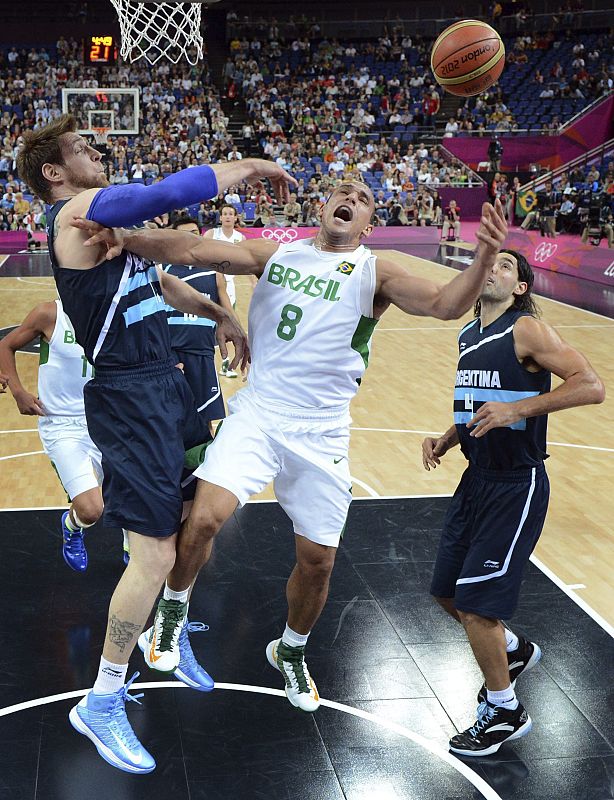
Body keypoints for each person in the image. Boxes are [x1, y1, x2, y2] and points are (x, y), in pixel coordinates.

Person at [75, 183, 509, 722]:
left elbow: (446, 305)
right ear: (321, 209)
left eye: (362, 195)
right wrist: (127, 237)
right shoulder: (278, 254)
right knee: (205, 517)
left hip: (323, 431)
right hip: (259, 412)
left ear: (368, 224)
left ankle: (291, 649)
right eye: (340, 190)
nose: (350, 194)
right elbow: (191, 251)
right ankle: (173, 608)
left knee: (318, 561)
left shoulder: (377, 271)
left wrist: (487, 253)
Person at [16, 112, 295, 774]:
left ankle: (162, 639)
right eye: (82, 149)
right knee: (153, 553)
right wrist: (248, 166)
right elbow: (165, 194)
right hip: (128, 397)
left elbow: (161, 278)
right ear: (55, 172)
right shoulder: (73, 217)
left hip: (160, 386)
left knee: (187, 520)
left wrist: (219, 312)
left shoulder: (107, 229)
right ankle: (102, 699)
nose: (96, 153)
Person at [421, 249, 604, 756]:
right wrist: (448, 437)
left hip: (515, 484)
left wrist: (519, 408)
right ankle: (514, 649)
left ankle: (505, 710)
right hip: (475, 478)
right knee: (447, 594)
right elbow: (475, 404)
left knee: (478, 605)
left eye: (506, 266)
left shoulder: (526, 330)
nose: (494, 269)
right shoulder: (467, 334)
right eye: (491, 263)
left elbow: (591, 385)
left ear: (521, 287)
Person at [0, 298, 111, 570]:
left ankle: (131, 543)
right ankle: (72, 526)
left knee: (132, 493)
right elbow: (6, 344)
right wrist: (18, 392)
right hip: (62, 424)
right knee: (91, 509)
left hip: (107, 419)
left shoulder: (112, 311)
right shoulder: (51, 313)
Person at [164, 215, 236, 435]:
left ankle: (202, 466)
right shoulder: (162, 269)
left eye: (194, 234)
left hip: (202, 354)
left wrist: (242, 338)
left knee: (205, 420)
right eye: (184, 234)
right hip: (169, 356)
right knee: (168, 419)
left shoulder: (213, 272)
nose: (189, 239)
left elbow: (228, 314)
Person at [203, 204, 246, 378]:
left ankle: (225, 364)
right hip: (210, 282)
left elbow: (246, 263)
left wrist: (253, 281)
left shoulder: (240, 238)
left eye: (231, 214)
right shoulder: (211, 234)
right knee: (208, 325)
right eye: (225, 214)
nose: (228, 216)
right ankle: (205, 361)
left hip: (229, 285)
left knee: (228, 325)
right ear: (220, 218)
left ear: (235, 218)